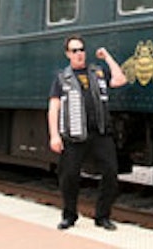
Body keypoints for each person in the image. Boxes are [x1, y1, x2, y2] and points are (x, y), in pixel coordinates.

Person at [48, 34, 127, 231]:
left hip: (100, 133)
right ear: (68, 54)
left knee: (110, 173)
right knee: (69, 176)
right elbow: (53, 108)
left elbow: (120, 79)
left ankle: (102, 216)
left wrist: (107, 57)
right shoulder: (61, 78)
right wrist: (54, 135)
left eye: (82, 49)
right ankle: (69, 215)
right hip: (74, 135)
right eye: (75, 50)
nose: (79, 54)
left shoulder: (97, 72)